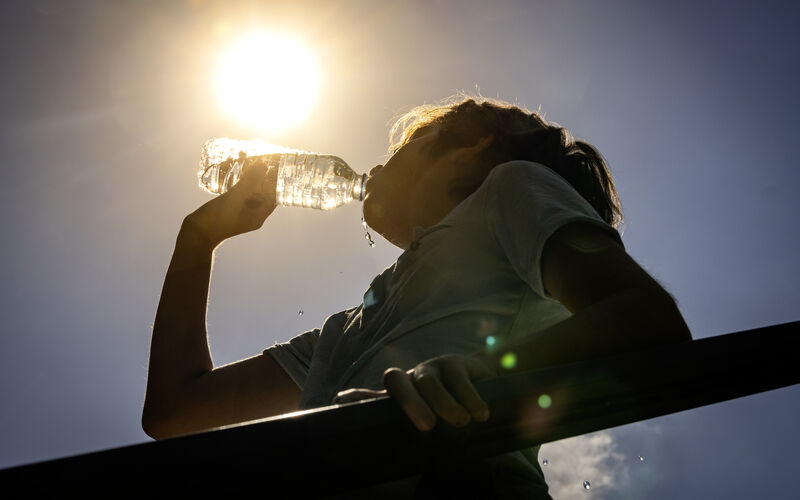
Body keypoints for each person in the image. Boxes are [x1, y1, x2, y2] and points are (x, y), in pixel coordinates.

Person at [142, 96, 691, 498]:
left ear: (470, 148)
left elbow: (646, 320)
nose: (379, 165)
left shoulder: (510, 186)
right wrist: (198, 239)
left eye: (407, 144)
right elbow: (175, 412)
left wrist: (482, 372)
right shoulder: (348, 331)